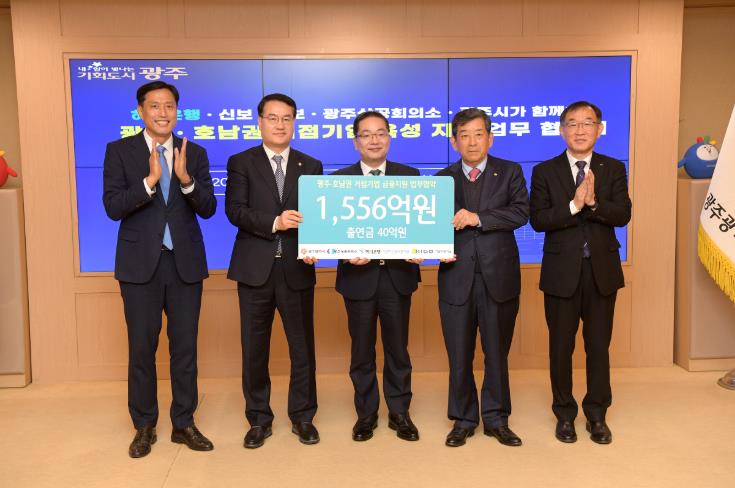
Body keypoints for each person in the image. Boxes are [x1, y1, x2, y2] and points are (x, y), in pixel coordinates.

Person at [103, 81, 217, 458]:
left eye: (169, 106)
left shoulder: (194, 152)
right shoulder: (119, 151)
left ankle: (183, 423)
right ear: (141, 111)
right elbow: (113, 207)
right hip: (139, 266)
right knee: (142, 348)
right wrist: (149, 182)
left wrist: (186, 180)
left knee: (185, 348)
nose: (163, 113)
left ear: (177, 111)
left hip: (185, 264)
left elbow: (208, 208)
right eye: (155, 106)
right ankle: (144, 426)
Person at [529, 101, 631, 445]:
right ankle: (565, 414)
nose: (580, 130)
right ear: (562, 131)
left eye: (587, 123)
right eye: (572, 124)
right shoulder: (544, 171)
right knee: (560, 347)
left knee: (598, 346)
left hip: (601, 272)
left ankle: (597, 414)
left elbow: (623, 214)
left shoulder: (612, 168)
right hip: (561, 272)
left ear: (599, 129)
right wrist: (574, 205)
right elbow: (539, 220)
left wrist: (594, 203)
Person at [225, 93, 322, 448]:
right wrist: (275, 222)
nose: (280, 125)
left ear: (294, 122)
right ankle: (258, 418)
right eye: (273, 118)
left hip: (297, 268)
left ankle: (303, 416)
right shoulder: (241, 162)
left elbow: (318, 215)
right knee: (254, 349)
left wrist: (317, 245)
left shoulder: (311, 164)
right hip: (254, 270)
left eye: (286, 118)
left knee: (302, 348)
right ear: (260, 122)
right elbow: (235, 210)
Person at [435, 108, 529, 448]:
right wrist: (428, 247)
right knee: (459, 354)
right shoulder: (441, 180)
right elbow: (431, 227)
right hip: (455, 277)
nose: (472, 142)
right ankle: (463, 419)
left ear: (490, 138)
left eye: (478, 134)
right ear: (454, 142)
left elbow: (521, 212)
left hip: (498, 278)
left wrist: (478, 217)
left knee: (496, 353)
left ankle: (496, 419)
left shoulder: (510, 171)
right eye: (464, 135)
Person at [331, 111, 423, 442]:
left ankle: (400, 413)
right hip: (358, 279)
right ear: (356, 141)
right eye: (366, 134)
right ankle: (366, 414)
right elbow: (330, 230)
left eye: (380, 133)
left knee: (398, 351)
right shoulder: (338, 181)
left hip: (398, 276)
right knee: (362, 352)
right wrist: (344, 253)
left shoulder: (410, 177)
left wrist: (422, 246)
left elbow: (421, 224)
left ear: (389, 138)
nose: (374, 140)